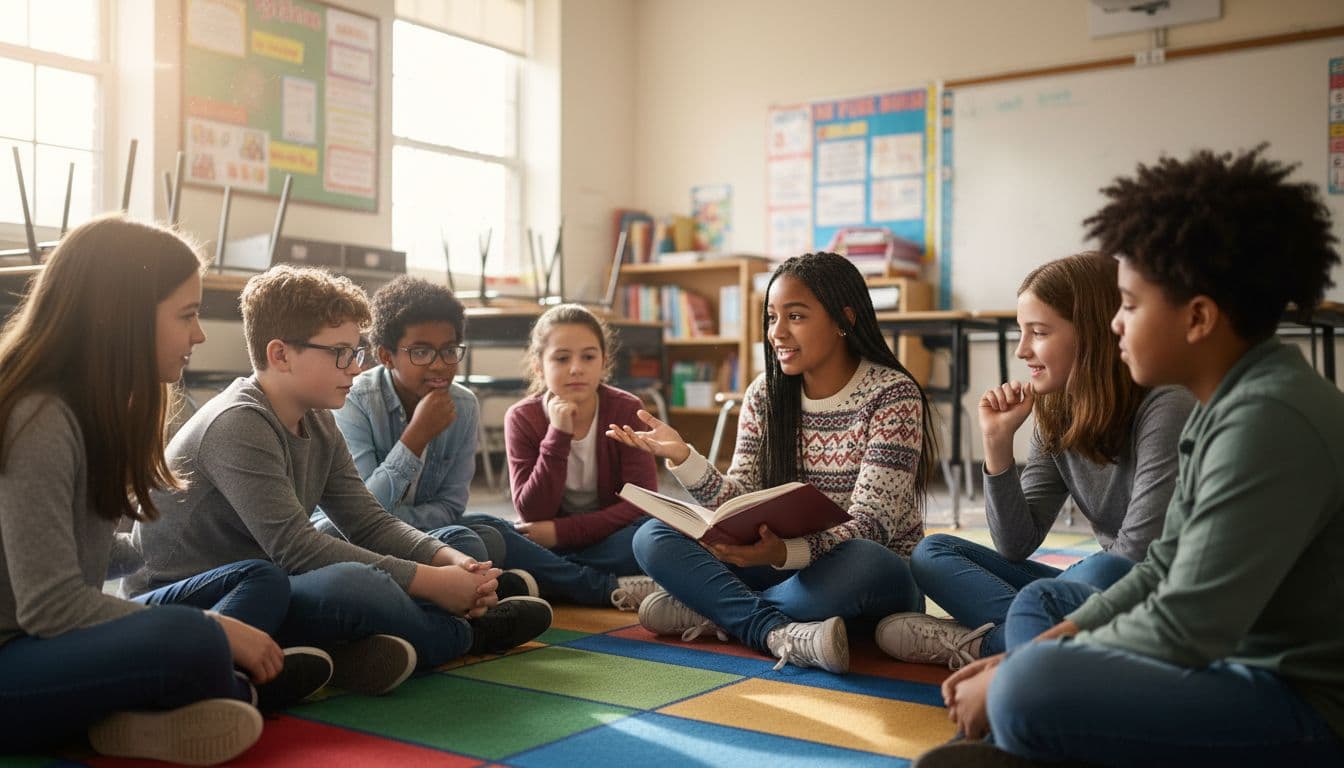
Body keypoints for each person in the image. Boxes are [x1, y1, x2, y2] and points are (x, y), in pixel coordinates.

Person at [916, 147, 1344, 767]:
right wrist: (1034, 652)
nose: (1114, 326)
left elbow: (1186, 624)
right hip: (1238, 667)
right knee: (1029, 668)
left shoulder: (1265, 419)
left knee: (1029, 691)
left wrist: (1026, 671)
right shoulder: (1231, 404)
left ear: (1197, 318)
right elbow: (1159, 568)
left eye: (1131, 306)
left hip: (1300, 707)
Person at [128, 264, 552, 698]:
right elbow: (297, 548)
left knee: (463, 541)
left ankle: (355, 647)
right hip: (216, 599)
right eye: (340, 353)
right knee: (355, 584)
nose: (354, 367)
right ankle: (467, 637)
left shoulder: (317, 417)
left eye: (356, 353)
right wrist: (431, 582)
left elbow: (367, 520)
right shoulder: (239, 422)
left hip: (275, 579)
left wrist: (448, 563)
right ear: (281, 355)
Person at [0, 216, 326, 764]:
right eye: (188, 315)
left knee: (259, 577)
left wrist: (176, 531)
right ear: (122, 317)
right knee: (195, 639)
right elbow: (52, 607)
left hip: (51, 642)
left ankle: (177, 701)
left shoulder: (97, 407)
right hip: (17, 656)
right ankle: (224, 686)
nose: (198, 335)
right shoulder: (39, 415)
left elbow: (97, 557)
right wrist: (210, 626)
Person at [611, 252, 937, 674]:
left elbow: (873, 525)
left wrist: (786, 551)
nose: (777, 333)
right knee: (652, 536)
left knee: (864, 562)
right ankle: (772, 630)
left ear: (844, 319)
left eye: (795, 317)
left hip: (864, 575)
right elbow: (738, 498)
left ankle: (715, 611)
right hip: (776, 569)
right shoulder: (764, 394)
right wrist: (683, 457)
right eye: (771, 318)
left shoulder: (892, 395)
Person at [878, 253, 1194, 667]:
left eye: (1039, 332)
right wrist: (996, 442)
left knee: (1097, 572)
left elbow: (1135, 559)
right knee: (932, 553)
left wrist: (1057, 594)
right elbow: (1015, 544)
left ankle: (986, 646)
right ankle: (1034, 641)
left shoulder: (1167, 405)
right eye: (1021, 332)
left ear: (1096, 333)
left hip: (1154, 594)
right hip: (1086, 594)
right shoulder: (1056, 409)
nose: (1023, 350)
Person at [466, 304, 658, 609]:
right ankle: (603, 587)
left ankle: (549, 578)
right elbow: (532, 510)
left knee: (654, 535)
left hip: (609, 538)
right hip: (548, 538)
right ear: (539, 365)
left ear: (604, 362)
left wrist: (560, 533)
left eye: (588, 357)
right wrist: (558, 434)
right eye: (561, 358)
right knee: (482, 529)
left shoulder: (625, 409)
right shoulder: (522, 417)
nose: (576, 368)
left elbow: (643, 501)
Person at [319, 276, 509, 565]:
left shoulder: (464, 404)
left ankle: (466, 583)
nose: (439, 364)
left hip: (422, 533)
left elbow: (451, 506)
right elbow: (358, 514)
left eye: (448, 350)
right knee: (470, 545)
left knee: (495, 534)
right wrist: (416, 436)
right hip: (351, 534)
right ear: (386, 356)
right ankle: (478, 586)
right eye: (420, 351)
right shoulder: (355, 400)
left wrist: (402, 524)